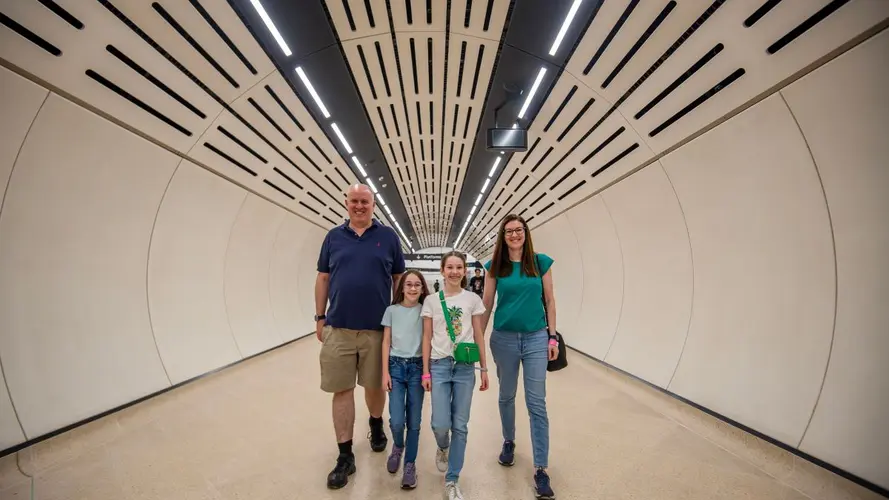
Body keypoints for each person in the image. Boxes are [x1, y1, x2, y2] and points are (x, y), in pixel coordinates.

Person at [315, 183, 405, 489]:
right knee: (341, 389)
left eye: (364, 201)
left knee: (374, 385)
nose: (359, 206)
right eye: (354, 201)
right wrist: (320, 317)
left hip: (377, 329)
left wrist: (397, 318)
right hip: (338, 327)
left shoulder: (388, 237)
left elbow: (399, 280)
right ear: (346, 203)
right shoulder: (333, 237)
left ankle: (376, 424)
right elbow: (323, 277)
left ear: (373, 204)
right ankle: (344, 455)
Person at [481, 214, 559, 500]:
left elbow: (549, 300)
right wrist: (476, 340)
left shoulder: (541, 263)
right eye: (508, 231)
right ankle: (509, 441)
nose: (514, 234)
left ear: (526, 233)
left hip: (537, 338)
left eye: (518, 230)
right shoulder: (495, 267)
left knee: (536, 402)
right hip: (504, 339)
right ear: (503, 236)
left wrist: (553, 336)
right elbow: (487, 304)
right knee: (506, 396)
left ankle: (541, 468)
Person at [421, 251, 489, 500]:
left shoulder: (472, 299)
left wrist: (483, 367)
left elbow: (479, 334)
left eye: (459, 267)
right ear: (442, 270)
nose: (454, 272)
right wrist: (425, 371)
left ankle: (452, 480)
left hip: (464, 367)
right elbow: (426, 336)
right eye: (449, 267)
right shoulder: (431, 301)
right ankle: (442, 446)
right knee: (440, 423)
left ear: (465, 271)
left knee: (460, 425)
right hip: (439, 366)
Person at [381, 270, 430, 489]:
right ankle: (398, 446)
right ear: (401, 287)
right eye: (408, 284)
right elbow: (385, 342)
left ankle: (410, 464)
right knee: (397, 420)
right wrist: (385, 373)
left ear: (422, 289)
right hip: (396, 367)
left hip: (417, 367)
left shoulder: (425, 311)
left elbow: (428, 340)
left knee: (415, 420)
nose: (412, 289)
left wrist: (427, 372)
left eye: (417, 285)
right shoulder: (391, 310)